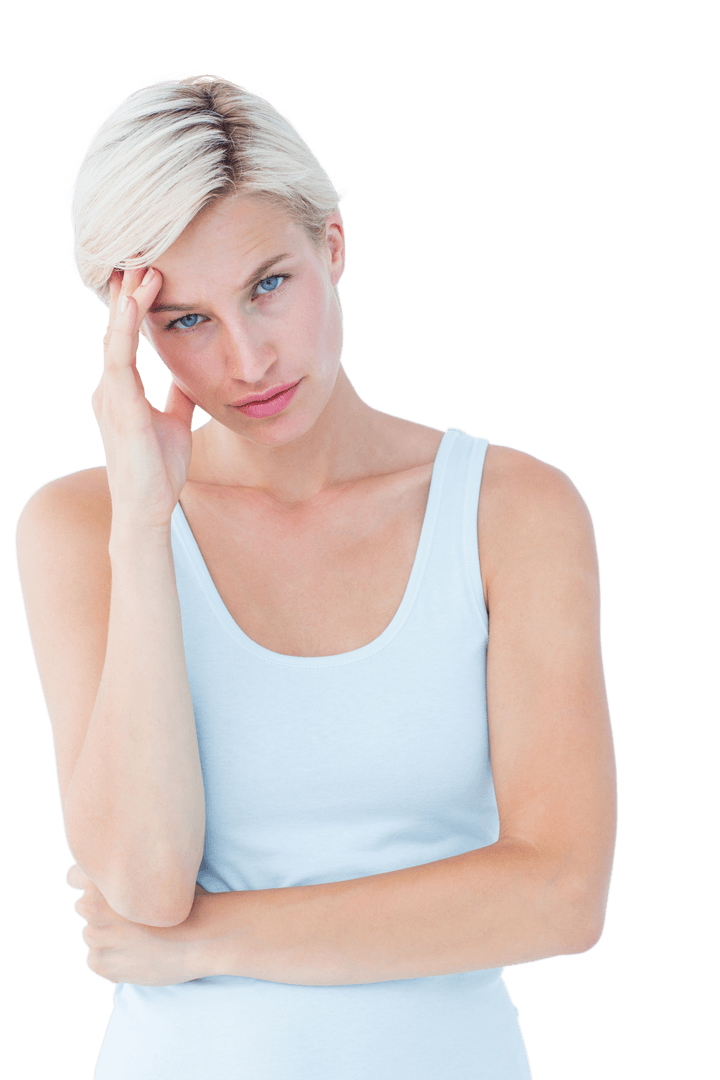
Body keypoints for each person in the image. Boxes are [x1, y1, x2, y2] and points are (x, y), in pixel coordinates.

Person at [14, 70, 618, 1079]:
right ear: (131, 333)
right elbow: (143, 885)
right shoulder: (80, 526)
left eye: (268, 284)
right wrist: (143, 520)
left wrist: (210, 942)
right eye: (187, 321)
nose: (248, 360)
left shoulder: (515, 511)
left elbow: (561, 897)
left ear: (332, 242)